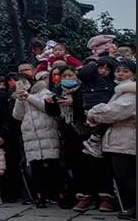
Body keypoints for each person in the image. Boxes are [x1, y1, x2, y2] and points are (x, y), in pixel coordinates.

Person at [45, 67, 113, 212]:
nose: (67, 78)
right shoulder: (57, 90)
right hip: (69, 133)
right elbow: (52, 113)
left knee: (96, 165)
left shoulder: (86, 89)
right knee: (77, 165)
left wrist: (74, 102)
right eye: (64, 75)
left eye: (71, 75)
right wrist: (50, 102)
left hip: (88, 131)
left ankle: (104, 197)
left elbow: (90, 106)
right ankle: (84, 196)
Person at [87, 61, 136, 221]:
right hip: (119, 138)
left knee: (128, 176)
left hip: (127, 138)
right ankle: (131, 208)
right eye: (118, 71)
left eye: (126, 71)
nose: (120, 74)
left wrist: (94, 112)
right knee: (123, 176)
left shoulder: (131, 92)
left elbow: (114, 112)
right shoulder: (119, 91)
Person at [12, 73, 61, 208]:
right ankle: (40, 196)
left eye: (24, 81)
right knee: (36, 168)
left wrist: (29, 97)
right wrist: (20, 99)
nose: (22, 84)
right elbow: (17, 115)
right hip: (31, 136)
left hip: (46, 132)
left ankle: (59, 194)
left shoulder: (44, 92)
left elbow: (46, 107)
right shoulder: (20, 96)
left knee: (53, 166)